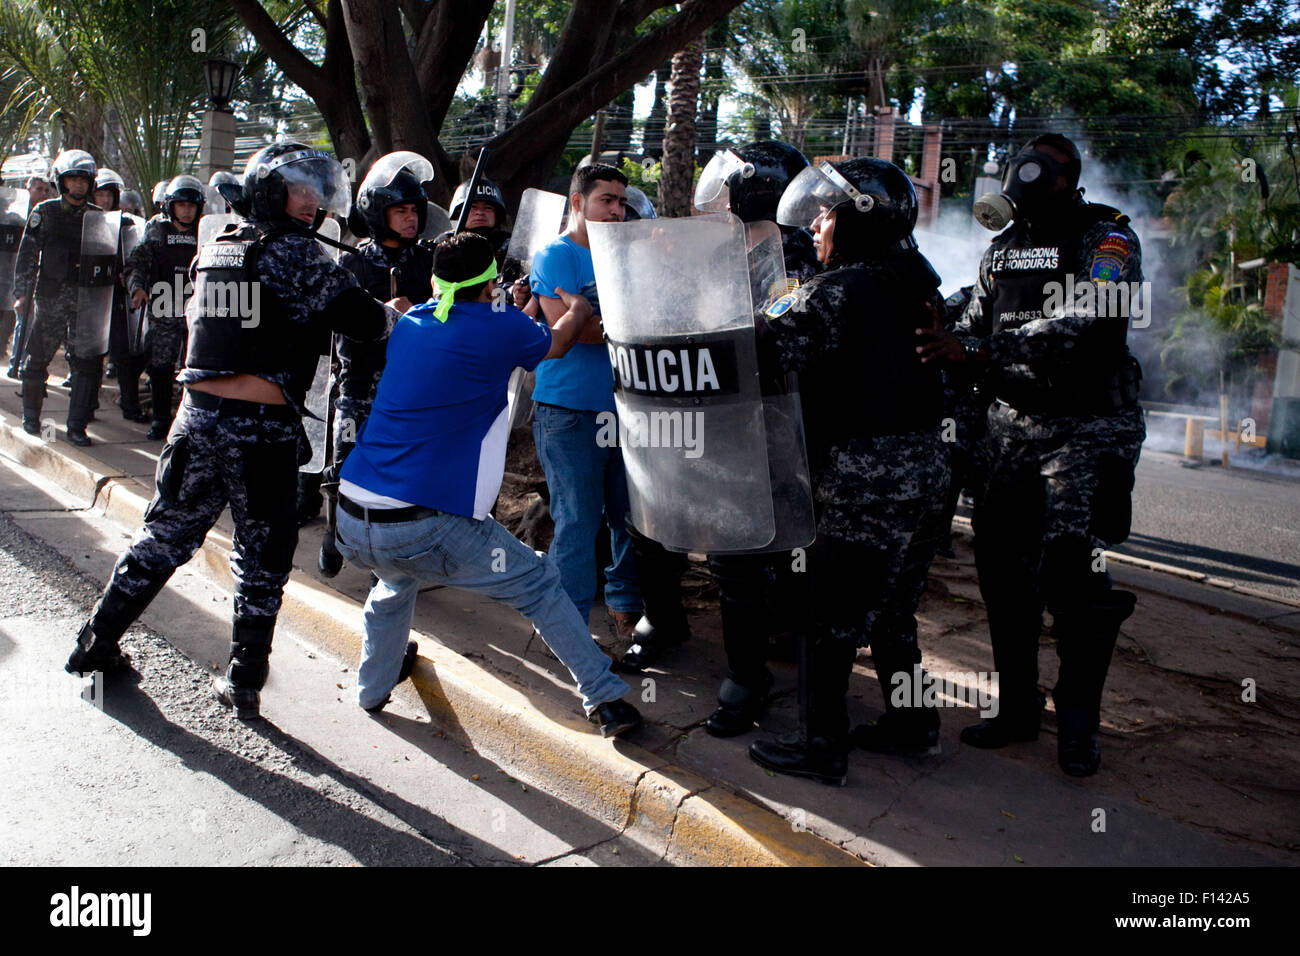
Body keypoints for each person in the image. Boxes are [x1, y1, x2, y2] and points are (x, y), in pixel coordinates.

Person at [65, 142, 404, 723]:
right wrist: (393, 310)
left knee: (164, 536)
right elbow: (367, 322)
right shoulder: (296, 254)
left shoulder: (217, 247)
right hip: (259, 430)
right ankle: (244, 680)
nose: (314, 202)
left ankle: (94, 643)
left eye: (317, 192)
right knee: (263, 556)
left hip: (195, 418)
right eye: (301, 190)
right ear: (272, 193)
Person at [333, 231, 640, 734]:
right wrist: (580, 308)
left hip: (354, 517)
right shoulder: (501, 329)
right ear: (491, 285)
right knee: (539, 584)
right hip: (425, 524)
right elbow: (556, 342)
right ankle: (606, 698)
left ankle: (371, 689)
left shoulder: (412, 322)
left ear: (436, 281)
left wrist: (509, 308)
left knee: (395, 579)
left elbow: (480, 333)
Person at [915, 133, 1145, 777]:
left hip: (1086, 428)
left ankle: (1077, 723)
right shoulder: (1004, 248)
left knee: (1072, 575)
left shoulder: (1108, 240)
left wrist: (980, 353)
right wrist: (936, 330)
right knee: (1003, 574)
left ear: (1070, 179)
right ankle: (1017, 709)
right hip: (1008, 430)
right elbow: (973, 321)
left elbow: (1094, 320)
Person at [745, 158, 951, 785]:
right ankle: (913, 724)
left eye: (828, 214)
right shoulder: (915, 281)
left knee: (826, 614)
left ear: (862, 220)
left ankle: (821, 746)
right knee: (892, 610)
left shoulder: (836, 292)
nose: (818, 227)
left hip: (869, 478)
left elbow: (767, 346)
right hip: (928, 472)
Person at [620, 140, 821, 696]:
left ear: (758, 190)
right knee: (654, 524)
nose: (723, 192)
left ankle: (753, 672)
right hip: (703, 415)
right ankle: (662, 619)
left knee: (750, 553)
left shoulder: (796, 258)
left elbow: (777, 336)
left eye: (734, 182)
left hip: (765, 425)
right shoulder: (717, 251)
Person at [529, 163, 643, 640]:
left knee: (631, 518)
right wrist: (631, 323)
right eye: (606, 200)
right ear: (578, 202)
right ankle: (569, 632)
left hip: (629, 408)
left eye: (621, 201)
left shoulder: (630, 253)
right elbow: (573, 333)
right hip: (567, 411)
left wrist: (601, 321)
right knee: (576, 522)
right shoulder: (555, 256)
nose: (616, 210)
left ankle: (624, 612)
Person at [318, 151, 436, 576]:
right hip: (357, 385)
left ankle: (382, 564)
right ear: (376, 211)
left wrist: (420, 312)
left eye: (414, 210)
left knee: (397, 481)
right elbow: (333, 317)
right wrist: (377, 312)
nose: (409, 219)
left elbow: (448, 315)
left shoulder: (428, 262)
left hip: (409, 389)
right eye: (399, 210)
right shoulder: (352, 260)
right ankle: (333, 533)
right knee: (342, 468)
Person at [11, 149, 103, 445]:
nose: (78, 185)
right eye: (72, 180)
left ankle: (77, 426)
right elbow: (27, 255)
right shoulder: (46, 213)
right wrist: (21, 294)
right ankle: (31, 417)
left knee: (85, 363)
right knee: (37, 358)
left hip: (86, 303)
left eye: (83, 180)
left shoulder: (99, 218)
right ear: (62, 181)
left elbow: (108, 261)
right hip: (50, 298)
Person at [125, 174, 204, 440]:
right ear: (170, 206)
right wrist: (137, 288)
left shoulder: (205, 232)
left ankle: (187, 425)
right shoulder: (157, 229)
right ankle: (160, 419)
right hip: (163, 305)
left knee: (192, 367)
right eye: (181, 205)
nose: (186, 210)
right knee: (159, 366)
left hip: (196, 309)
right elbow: (137, 262)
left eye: (191, 205)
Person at [437, 176, 512, 265]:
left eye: (488, 208)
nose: (480, 212)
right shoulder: (445, 243)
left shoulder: (509, 244)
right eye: (473, 207)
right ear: (458, 212)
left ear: (497, 214)